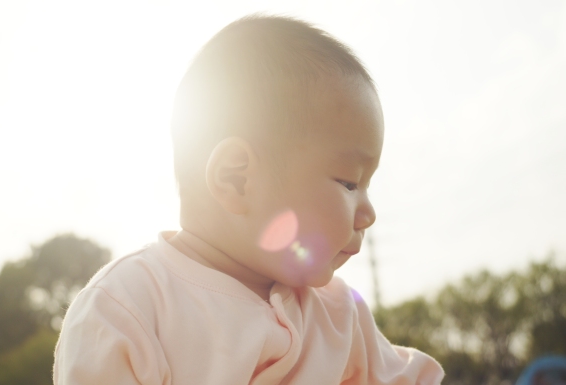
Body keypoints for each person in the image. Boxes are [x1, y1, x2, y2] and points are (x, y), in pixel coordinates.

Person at [53, 14, 444, 384]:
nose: (368, 214)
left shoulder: (340, 313)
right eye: (348, 182)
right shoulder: (126, 308)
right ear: (237, 179)